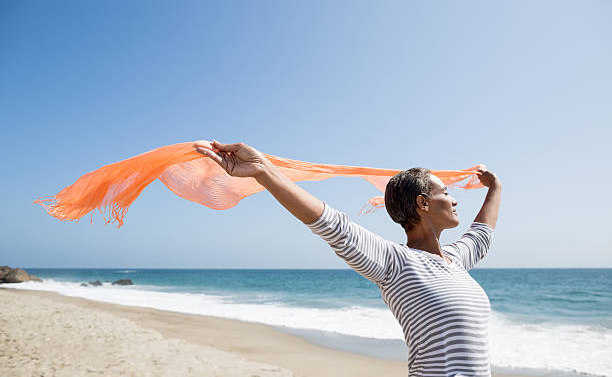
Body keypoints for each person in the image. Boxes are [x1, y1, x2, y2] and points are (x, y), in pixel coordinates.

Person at [194, 140, 502, 377]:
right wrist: (263, 170)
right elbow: (333, 225)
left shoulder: (455, 261)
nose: (454, 198)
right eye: (446, 192)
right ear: (423, 202)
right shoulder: (397, 264)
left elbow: (482, 234)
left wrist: (496, 187)